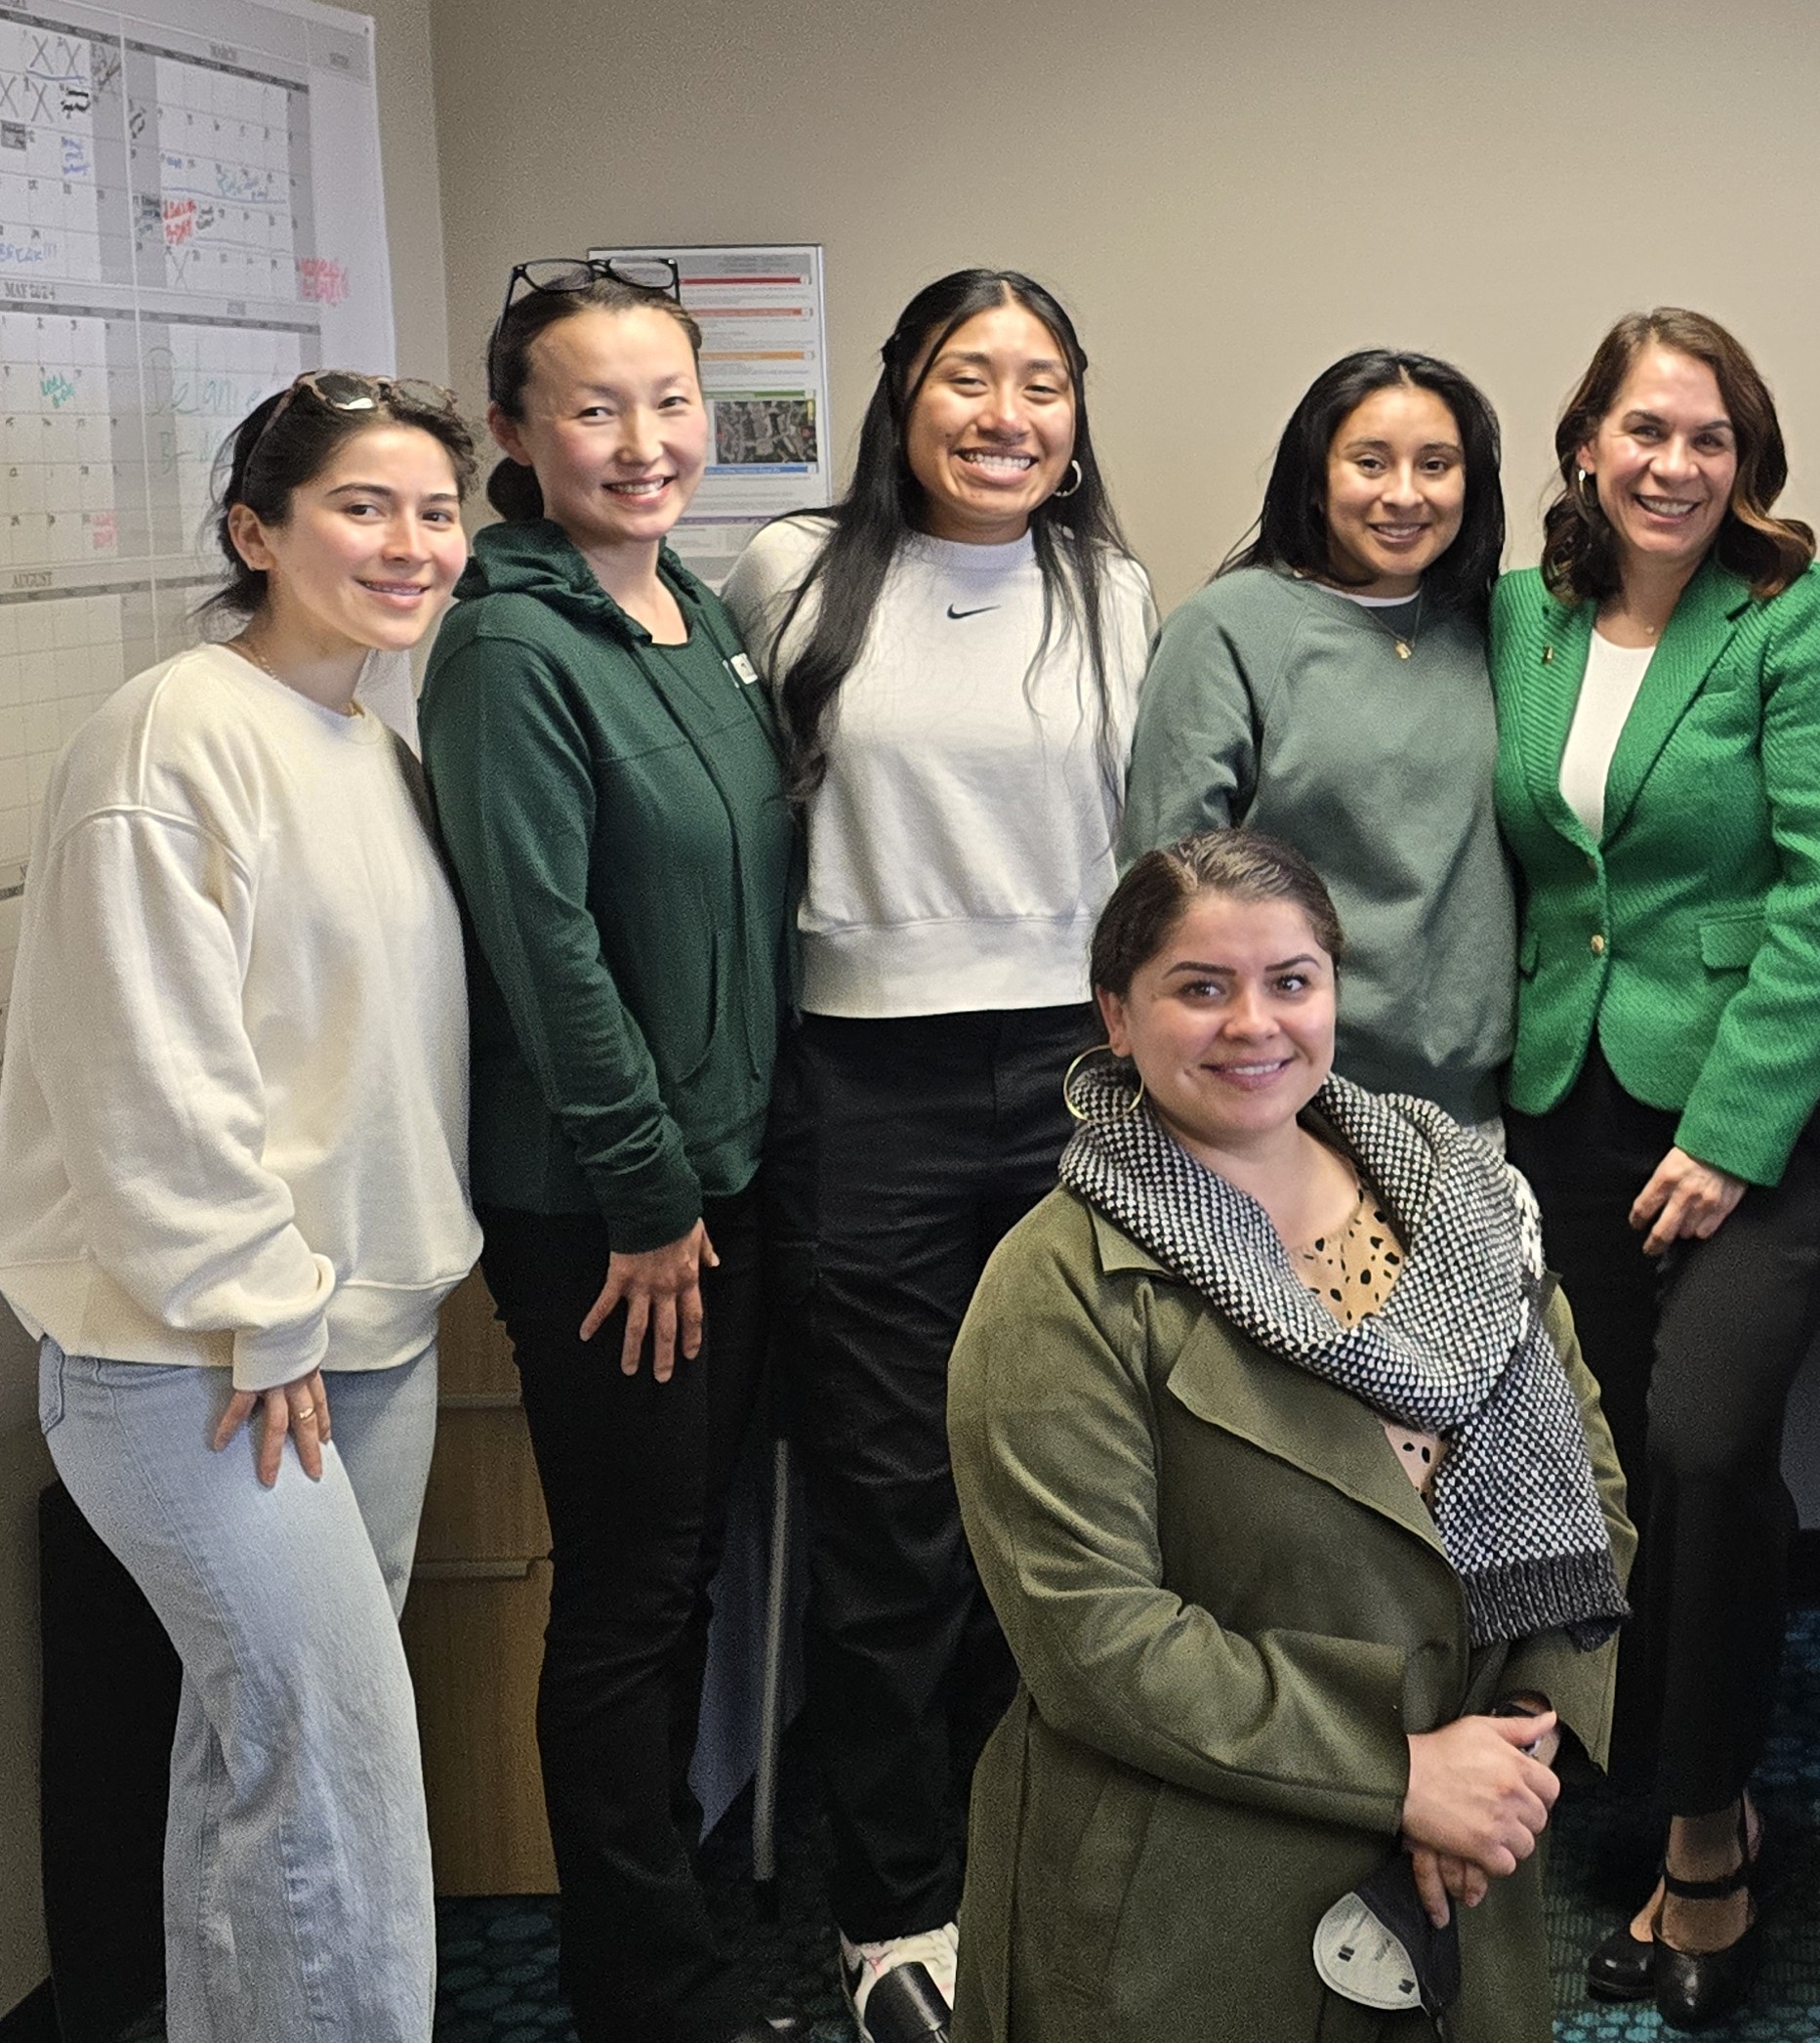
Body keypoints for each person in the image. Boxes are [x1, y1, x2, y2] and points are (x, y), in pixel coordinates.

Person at [942, 831, 1630, 2042]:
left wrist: (1516, 1746)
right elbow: (1092, 1635)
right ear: (1115, 1013)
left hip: (1464, 1865)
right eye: (1199, 987)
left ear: (1333, 991)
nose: (1252, 1024)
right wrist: (1405, 1773)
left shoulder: (1466, 1201)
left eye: (1290, 980)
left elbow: (1591, 1492)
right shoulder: (1053, 1287)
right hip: (1186, 1891)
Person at [0, 373, 478, 2042]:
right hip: (199, 1356)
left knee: (256, 1772)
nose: (410, 543)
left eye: (435, 509)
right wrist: (258, 1303)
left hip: (365, 1335)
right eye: (364, 504)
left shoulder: (371, 738)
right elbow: (147, 1067)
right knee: (338, 1782)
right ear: (254, 530)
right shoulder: (170, 732)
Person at [719, 267, 1152, 2042]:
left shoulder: (1115, 594)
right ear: (902, 395)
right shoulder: (789, 574)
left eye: (1040, 381)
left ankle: (1032, 1858)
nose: (1004, 414)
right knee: (893, 1503)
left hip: (1070, 1074)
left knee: (1053, 1487)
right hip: (862, 1089)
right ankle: (895, 1907)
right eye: (968, 377)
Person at [1490, 306, 1820, 2030]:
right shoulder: (1521, 613)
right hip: (1563, 1089)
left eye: (1710, 437)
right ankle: (1642, 1769)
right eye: (1645, 431)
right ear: (1586, 441)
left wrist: (1728, 1136)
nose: (1675, 465)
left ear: (1750, 458)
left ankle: (1715, 1832)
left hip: (1764, 1097)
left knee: (1710, 1443)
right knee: (1593, 1463)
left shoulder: (1799, 615)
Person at [424, 260, 807, 2043]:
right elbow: (548, 949)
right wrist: (649, 1198)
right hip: (606, 1208)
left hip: (722, 1180)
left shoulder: (700, 617)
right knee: (633, 1592)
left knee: (689, 1568)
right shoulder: (509, 643)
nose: (644, 442)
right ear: (515, 433)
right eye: (593, 407)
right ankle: (644, 1987)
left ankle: (679, 1918)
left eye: (670, 402)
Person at [1121, 348, 1513, 1125]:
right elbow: (1164, 887)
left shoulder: (1494, 627)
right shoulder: (1228, 628)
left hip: (1477, 1109)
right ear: (1315, 473)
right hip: (1287, 1097)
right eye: (1369, 462)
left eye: (1435, 464)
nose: (1404, 494)